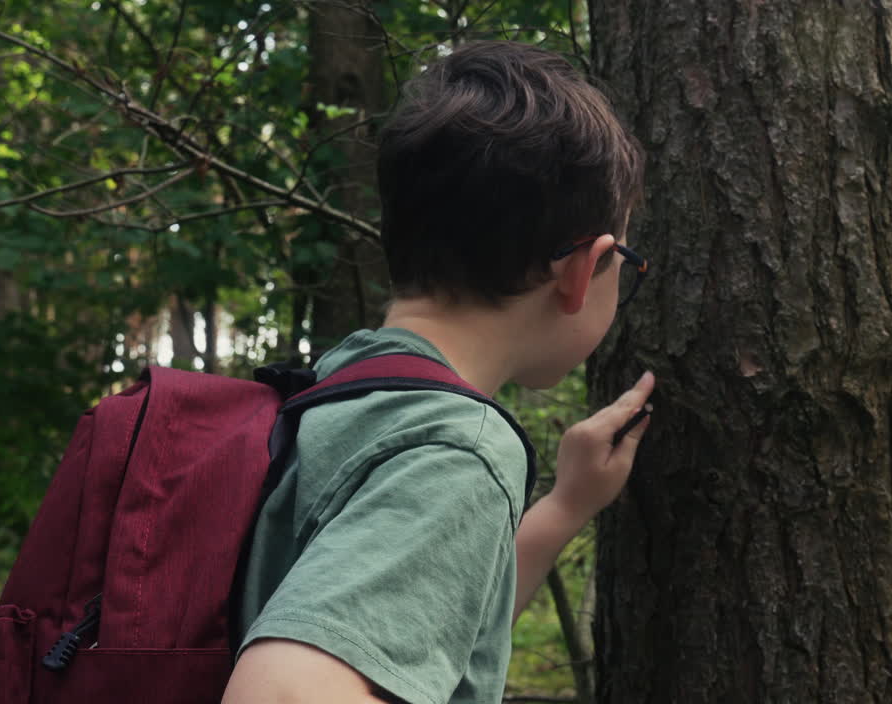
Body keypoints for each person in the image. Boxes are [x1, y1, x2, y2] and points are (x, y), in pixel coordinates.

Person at [221, 39, 652, 704]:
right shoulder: (456, 453)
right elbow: (281, 692)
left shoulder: (344, 392)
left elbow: (414, 629)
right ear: (581, 271)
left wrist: (564, 507)